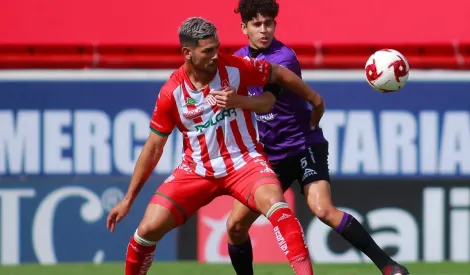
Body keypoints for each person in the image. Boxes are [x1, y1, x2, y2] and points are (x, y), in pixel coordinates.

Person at [106, 16, 326, 275]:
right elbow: (154, 148)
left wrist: (313, 97)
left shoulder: (234, 67)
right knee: (146, 230)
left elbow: (277, 74)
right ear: (187, 53)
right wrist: (128, 199)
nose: (215, 55)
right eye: (207, 51)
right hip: (197, 169)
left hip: (245, 161)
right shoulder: (171, 93)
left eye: (217, 48)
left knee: (278, 207)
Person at [222, 1, 411, 275]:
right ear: (244, 27)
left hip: (302, 145)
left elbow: (265, 101)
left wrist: (233, 99)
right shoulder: (237, 60)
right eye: (257, 24)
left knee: (322, 209)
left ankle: (389, 266)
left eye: (269, 23)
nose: (264, 30)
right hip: (268, 157)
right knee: (235, 227)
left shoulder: (283, 58)